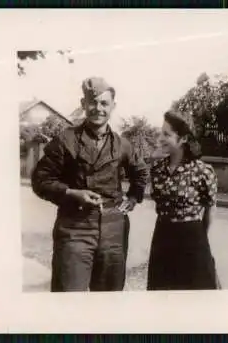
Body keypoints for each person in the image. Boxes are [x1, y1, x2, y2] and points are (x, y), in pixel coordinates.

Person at [31, 77, 149, 292]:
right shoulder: (65, 140)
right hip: (74, 229)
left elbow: (140, 172)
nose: (98, 109)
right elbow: (40, 180)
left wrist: (133, 198)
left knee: (108, 301)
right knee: (68, 297)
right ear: (83, 103)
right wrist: (72, 193)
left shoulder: (123, 144)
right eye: (92, 102)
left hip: (113, 230)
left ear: (113, 106)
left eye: (104, 103)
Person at [147, 110, 219, 290]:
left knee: (195, 297)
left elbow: (210, 208)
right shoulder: (157, 169)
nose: (161, 138)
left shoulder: (202, 171)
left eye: (167, 134)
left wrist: (201, 238)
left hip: (192, 240)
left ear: (183, 139)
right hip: (162, 237)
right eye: (160, 133)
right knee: (162, 295)